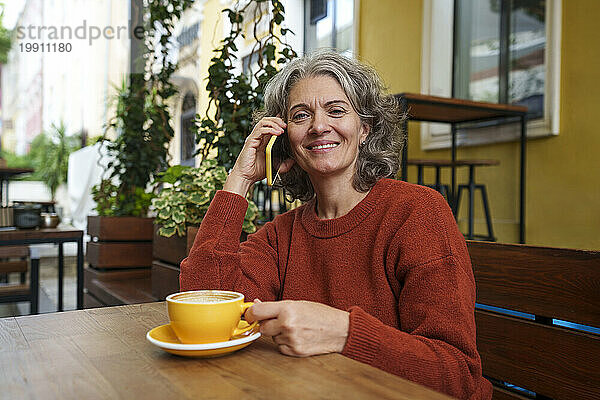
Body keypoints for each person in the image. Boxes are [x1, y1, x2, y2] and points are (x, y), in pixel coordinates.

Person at [180, 49, 492, 400]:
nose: (318, 126)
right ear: (285, 142)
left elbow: (456, 374)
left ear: (365, 129)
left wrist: (343, 332)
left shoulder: (417, 213)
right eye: (301, 116)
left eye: (336, 110)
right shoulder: (280, 234)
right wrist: (239, 179)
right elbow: (204, 304)